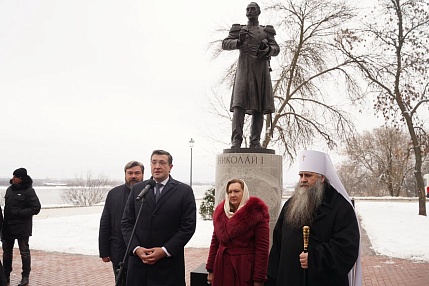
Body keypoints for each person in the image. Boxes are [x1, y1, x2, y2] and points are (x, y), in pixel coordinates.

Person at [266, 150, 362, 286]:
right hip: (288, 277)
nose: (303, 179)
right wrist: (271, 279)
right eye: (301, 175)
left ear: (322, 178)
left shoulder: (340, 207)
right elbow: (278, 244)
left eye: (308, 175)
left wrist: (315, 258)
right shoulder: (291, 204)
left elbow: (347, 248)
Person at [121, 150, 197, 286]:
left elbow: (188, 227)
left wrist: (165, 251)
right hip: (139, 266)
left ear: (170, 167)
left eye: (162, 163)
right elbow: (127, 223)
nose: (157, 166)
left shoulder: (184, 191)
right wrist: (136, 248)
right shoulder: (138, 189)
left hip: (168, 266)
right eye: (154, 162)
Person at [222, 2, 280, 149]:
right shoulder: (239, 29)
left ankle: (255, 141)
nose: (249, 11)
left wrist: (267, 49)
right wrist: (238, 41)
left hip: (260, 71)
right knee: (239, 105)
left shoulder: (266, 31)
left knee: (259, 107)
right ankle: (236, 141)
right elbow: (225, 43)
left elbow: (276, 48)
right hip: (244, 70)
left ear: (258, 12)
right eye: (247, 9)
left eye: (252, 9)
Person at [206, 178, 270, 286]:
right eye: (230, 192)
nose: (232, 195)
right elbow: (215, 242)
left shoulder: (256, 213)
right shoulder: (220, 213)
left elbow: (262, 248)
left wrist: (259, 278)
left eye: (236, 191)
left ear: (244, 192)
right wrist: (210, 269)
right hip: (221, 265)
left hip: (243, 267)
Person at [99, 161, 144, 285]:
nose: (133, 176)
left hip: (142, 251)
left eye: (137, 173)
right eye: (130, 173)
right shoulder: (113, 194)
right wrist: (104, 251)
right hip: (118, 251)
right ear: (125, 175)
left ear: (143, 174)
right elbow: (105, 223)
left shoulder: (150, 194)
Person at [2, 168, 41, 286]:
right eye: (13, 176)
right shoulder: (9, 190)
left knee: (24, 252)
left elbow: (36, 208)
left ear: (21, 178)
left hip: (22, 227)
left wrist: (19, 213)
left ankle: (25, 277)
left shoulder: (29, 191)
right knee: (6, 253)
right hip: (8, 226)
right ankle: (5, 276)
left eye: (16, 177)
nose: (13, 178)